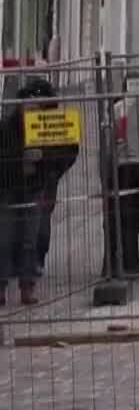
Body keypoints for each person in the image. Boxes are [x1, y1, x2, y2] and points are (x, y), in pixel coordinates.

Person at [0, 77, 78, 304]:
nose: (31, 109)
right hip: (7, 189)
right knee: (4, 238)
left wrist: (46, 162)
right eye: (28, 104)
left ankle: (27, 285)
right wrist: (19, 159)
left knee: (30, 238)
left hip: (34, 187)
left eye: (36, 105)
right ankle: (2, 285)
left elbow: (68, 151)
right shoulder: (6, 127)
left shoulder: (48, 125)